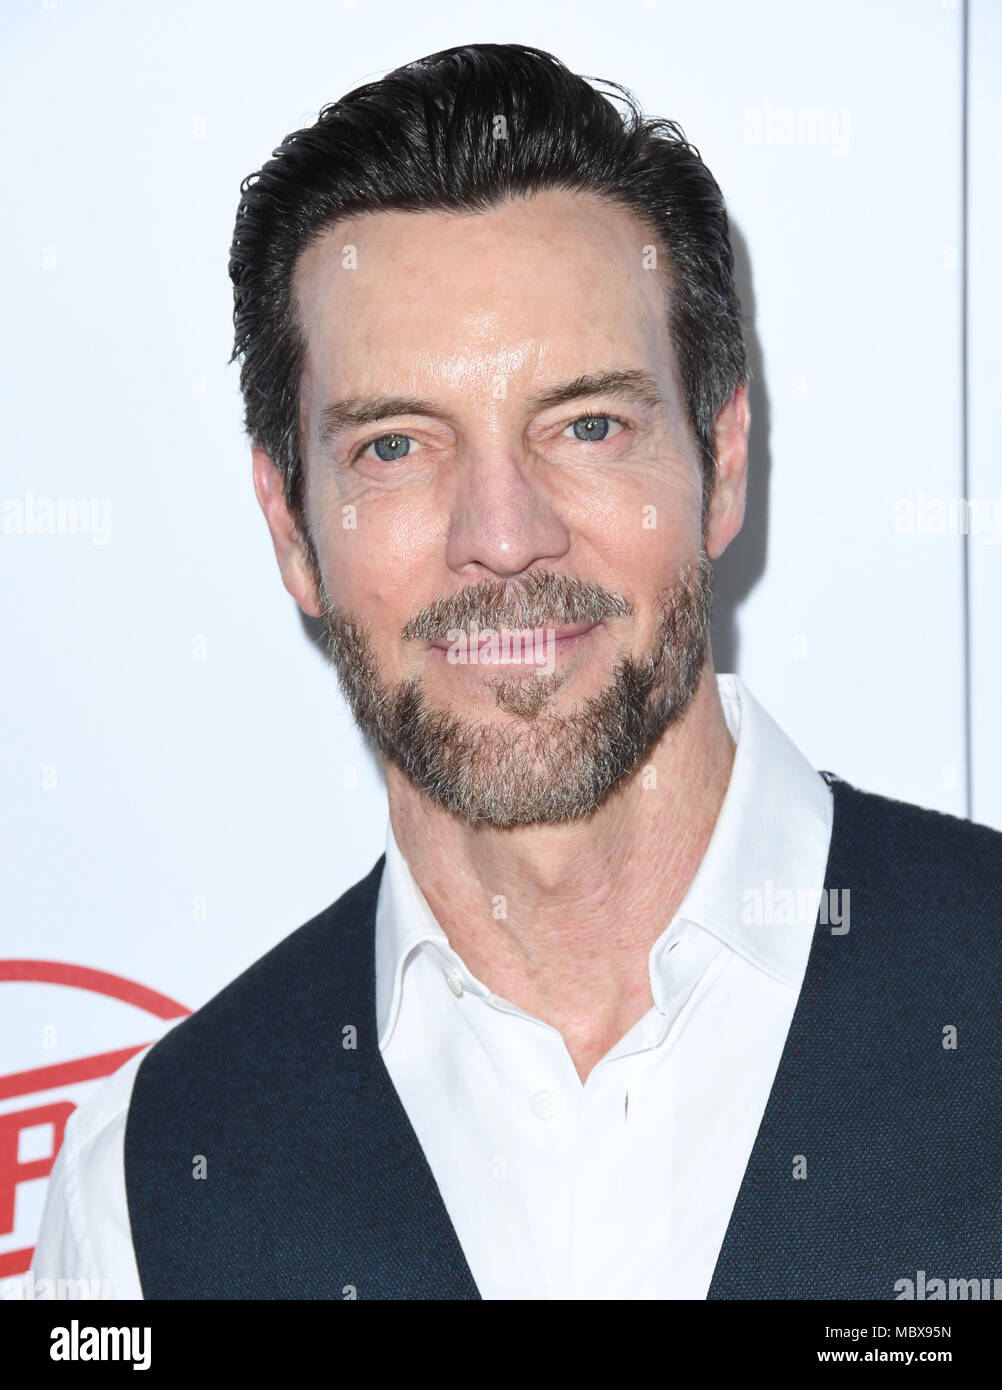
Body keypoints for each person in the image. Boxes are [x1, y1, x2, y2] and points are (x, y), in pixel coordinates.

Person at [31, 41, 1002, 1301]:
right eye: (395, 446)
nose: (502, 534)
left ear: (721, 459)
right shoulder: (144, 1193)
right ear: (291, 529)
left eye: (588, 425)